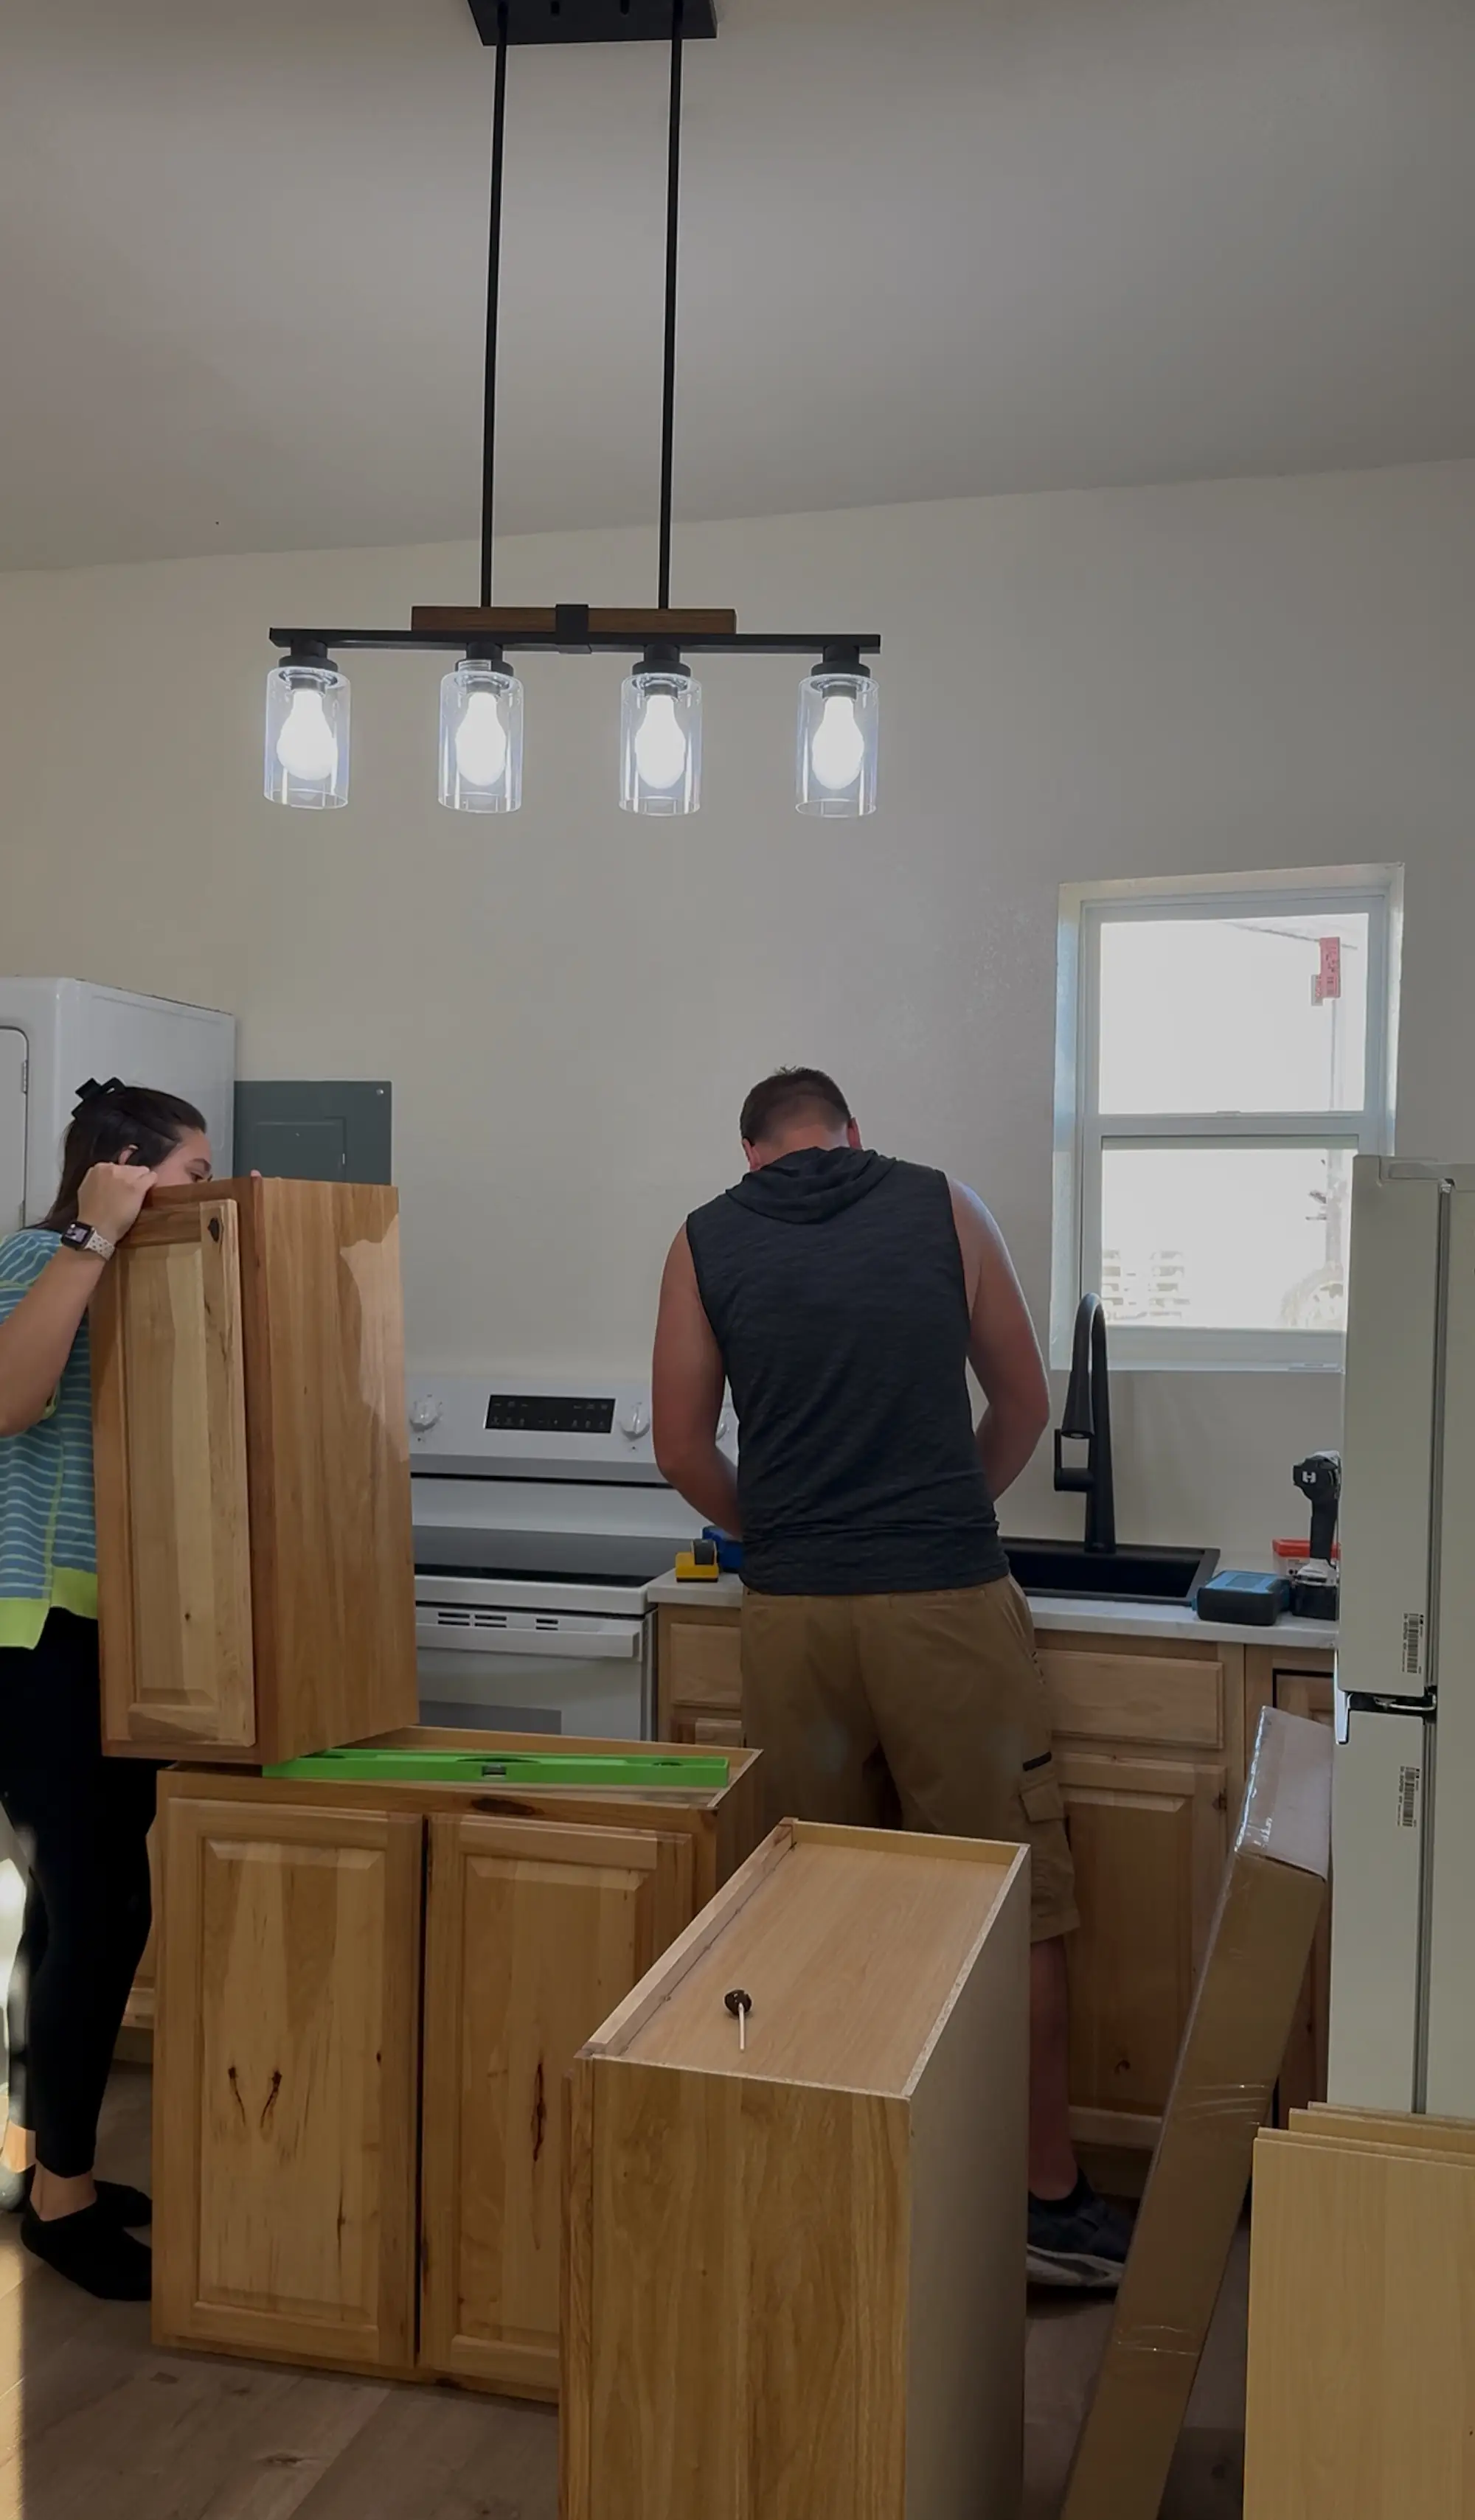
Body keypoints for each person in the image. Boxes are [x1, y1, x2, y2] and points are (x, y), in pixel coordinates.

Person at [651, 1066, 1131, 2290]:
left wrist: (780, 1529)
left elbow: (681, 1445)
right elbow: (1025, 1401)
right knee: (1009, 1900)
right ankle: (1045, 2200)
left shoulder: (703, 1239)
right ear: (853, 1134)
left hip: (794, 1619)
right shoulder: (944, 1206)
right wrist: (945, 1508)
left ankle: (833, 2184)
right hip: (945, 1609)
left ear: (753, 1153)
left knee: (812, 1902)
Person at [0, 1079, 215, 2300]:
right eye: (194, 1171)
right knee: (97, 1912)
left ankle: (46, 2168)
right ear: (125, 1168)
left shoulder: (132, 1276)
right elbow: (9, 1399)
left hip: (102, 1640)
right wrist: (89, 1231)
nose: (208, 1191)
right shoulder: (41, 1257)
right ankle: (62, 2201)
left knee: (74, 1912)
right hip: (29, 1637)